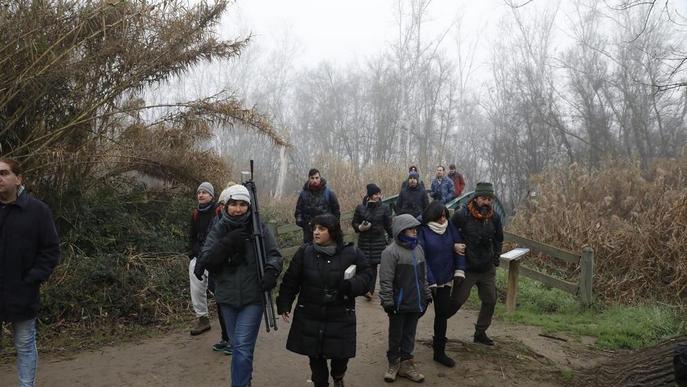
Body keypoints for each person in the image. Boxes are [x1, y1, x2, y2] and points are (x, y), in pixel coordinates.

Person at [196, 184, 283, 387]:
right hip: (226, 297)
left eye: (242, 204)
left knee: (242, 346)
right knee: (239, 347)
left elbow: (275, 255)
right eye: (233, 204)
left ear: (249, 206)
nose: (237, 209)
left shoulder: (259, 228)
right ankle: (245, 381)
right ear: (226, 206)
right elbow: (206, 258)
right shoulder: (218, 227)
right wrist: (227, 243)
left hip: (253, 296)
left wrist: (271, 270)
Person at [277, 214, 372, 387]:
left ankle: (338, 375)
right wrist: (284, 303)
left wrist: (351, 285)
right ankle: (320, 383)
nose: (316, 232)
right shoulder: (305, 253)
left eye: (321, 229)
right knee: (316, 358)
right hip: (310, 314)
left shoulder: (350, 253)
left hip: (340, 315)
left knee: (340, 357)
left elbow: (367, 277)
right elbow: (291, 280)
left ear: (333, 231)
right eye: (314, 228)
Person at [0, 158, 60, 387]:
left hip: (22, 292)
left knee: (25, 345)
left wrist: (32, 279)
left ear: (19, 178)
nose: (0, 178)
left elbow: (50, 250)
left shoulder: (37, 211)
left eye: (4, 173)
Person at [379, 214, 432, 383]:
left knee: (410, 334)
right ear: (400, 230)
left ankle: (406, 365)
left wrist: (427, 293)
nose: (414, 231)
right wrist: (387, 300)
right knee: (396, 334)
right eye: (410, 228)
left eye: (415, 228)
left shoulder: (418, 249)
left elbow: (423, 276)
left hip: (416, 301)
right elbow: (386, 279)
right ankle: (393, 364)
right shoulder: (390, 252)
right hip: (398, 303)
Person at [450, 182, 504, 346]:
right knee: (456, 302)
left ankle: (480, 333)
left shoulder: (494, 217)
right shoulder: (462, 215)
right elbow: (449, 234)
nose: (487, 202)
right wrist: (454, 247)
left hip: (487, 267)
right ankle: (439, 329)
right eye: (483, 198)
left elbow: (498, 239)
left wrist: (496, 257)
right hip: (467, 267)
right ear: (475, 198)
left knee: (490, 300)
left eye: (489, 199)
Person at [417, 200, 466, 367]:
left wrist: (460, 269)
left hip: (445, 280)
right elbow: (421, 256)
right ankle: (402, 347)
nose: (442, 219)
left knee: (441, 316)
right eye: (440, 216)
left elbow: (459, 248)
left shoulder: (449, 227)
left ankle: (439, 352)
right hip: (427, 281)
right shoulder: (422, 230)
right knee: (416, 312)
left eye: (445, 216)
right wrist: (430, 280)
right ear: (432, 215)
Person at [351, 183, 392, 300]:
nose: (378, 196)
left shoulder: (384, 208)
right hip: (363, 242)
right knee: (363, 266)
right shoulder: (360, 208)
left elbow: (389, 226)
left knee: (372, 267)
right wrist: (360, 227)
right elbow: (354, 223)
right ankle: (364, 288)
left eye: (379, 194)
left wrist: (393, 238)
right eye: (375, 194)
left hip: (377, 243)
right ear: (369, 195)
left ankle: (369, 290)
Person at [188, 181, 216, 336]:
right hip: (198, 257)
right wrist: (192, 253)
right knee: (197, 290)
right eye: (199, 192)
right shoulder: (195, 213)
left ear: (211, 195)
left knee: (218, 288)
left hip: (213, 257)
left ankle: (229, 318)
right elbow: (191, 236)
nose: (201, 195)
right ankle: (202, 319)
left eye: (204, 192)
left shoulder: (218, 211)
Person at [295, 168, 341, 243]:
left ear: (320, 178)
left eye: (317, 178)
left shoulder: (328, 193)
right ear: (309, 179)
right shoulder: (303, 194)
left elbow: (336, 211)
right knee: (309, 253)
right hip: (309, 233)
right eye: (312, 178)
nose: (315, 180)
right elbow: (298, 213)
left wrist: (332, 226)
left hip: (326, 231)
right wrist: (304, 224)